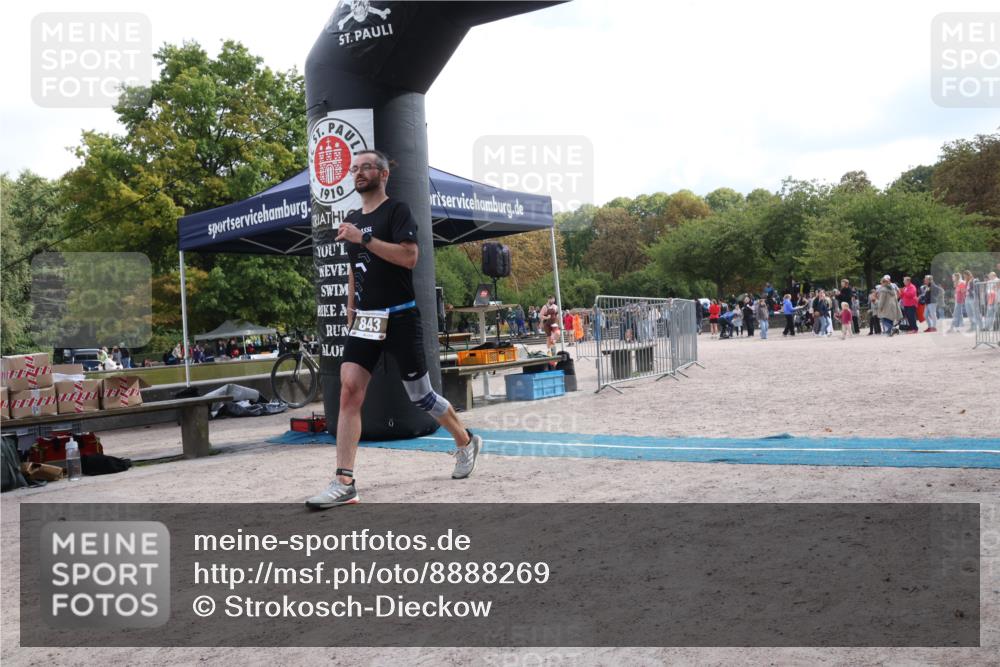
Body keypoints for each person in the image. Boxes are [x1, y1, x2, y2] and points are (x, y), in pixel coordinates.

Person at [305, 149, 482, 510]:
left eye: (366, 167)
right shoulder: (352, 219)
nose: (358, 172)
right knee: (349, 391)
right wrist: (350, 308)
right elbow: (354, 268)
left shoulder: (397, 211)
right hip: (366, 319)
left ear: (383, 174)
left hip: (400, 316)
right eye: (354, 168)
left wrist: (364, 239)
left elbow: (409, 257)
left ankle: (465, 441)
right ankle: (344, 481)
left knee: (421, 397)